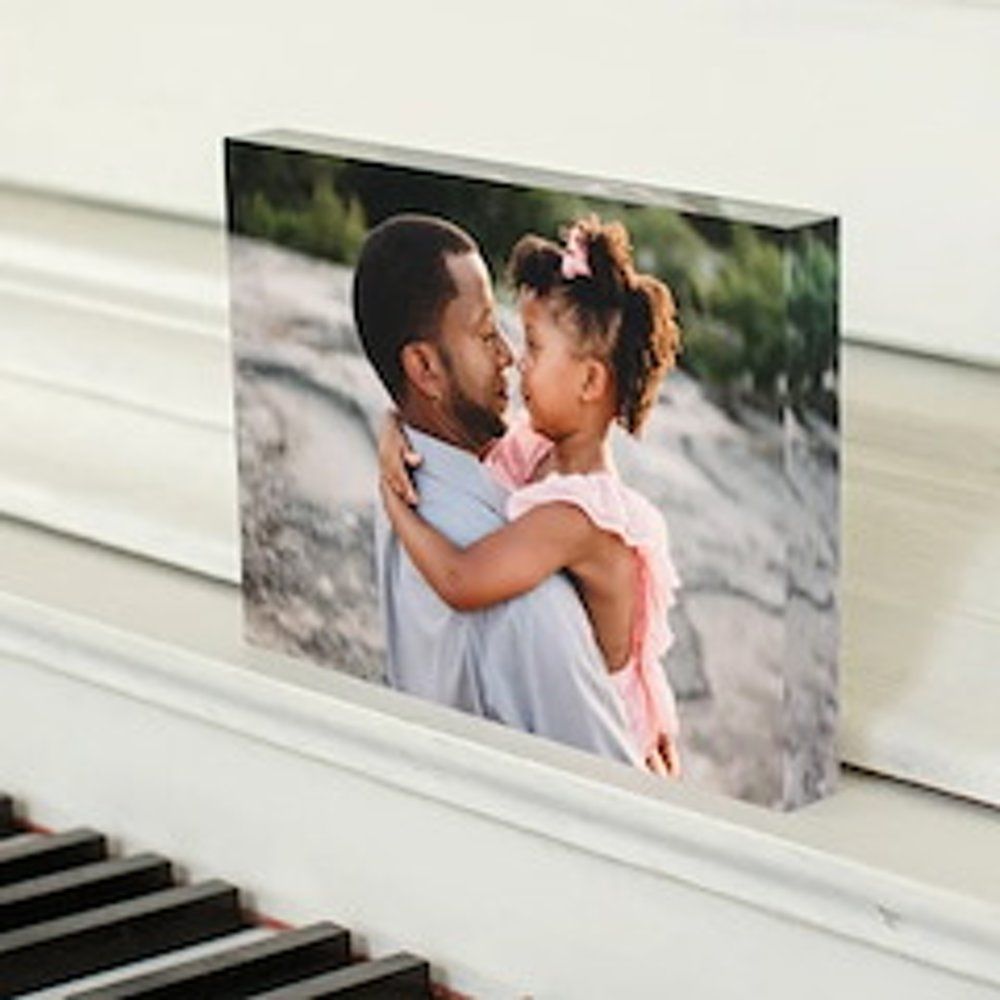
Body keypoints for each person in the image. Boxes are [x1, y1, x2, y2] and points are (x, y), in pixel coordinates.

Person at [378, 216, 683, 775]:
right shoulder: (533, 451)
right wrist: (390, 428)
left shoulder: (577, 514)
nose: (518, 361)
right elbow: (451, 429)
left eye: (536, 348)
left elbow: (460, 581)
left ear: (590, 383)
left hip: (604, 737)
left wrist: (394, 504)